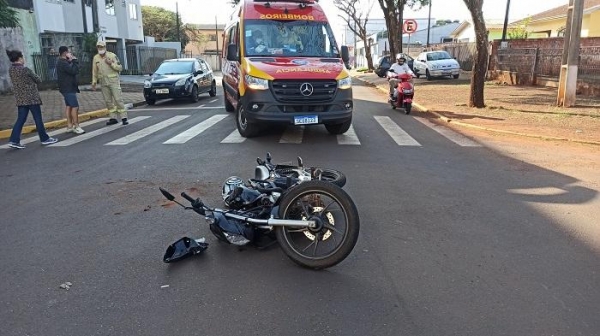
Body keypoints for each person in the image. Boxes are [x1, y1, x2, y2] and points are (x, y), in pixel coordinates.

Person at [5, 49, 58, 149]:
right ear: (20, 58)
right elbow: (38, 79)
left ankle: (14, 140)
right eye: (23, 57)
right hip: (32, 98)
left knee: (20, 119)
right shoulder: (25, 70)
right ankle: (44, 139)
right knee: (38, 118)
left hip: (21, 99)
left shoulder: (11, 70)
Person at [91, 40, 128, 125]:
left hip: (113, 81)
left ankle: (124, 117)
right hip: (103, 82)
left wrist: (111, 64)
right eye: (99, 47)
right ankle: (113, 118)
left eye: (102, 47)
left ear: (105, 47)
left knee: (118, 99)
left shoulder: (112, 56)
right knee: (108, 101)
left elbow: (120, 68)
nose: (100, 49)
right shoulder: (96, 58)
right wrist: (94, 82)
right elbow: (94, 71)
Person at [56, 45, 85, 134]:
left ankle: (69, 125)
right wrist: (74, 60)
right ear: (65, 53)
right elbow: (74, 71)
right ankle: (76, 126)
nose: (70, 53)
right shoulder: (63, 63)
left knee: (69, 106)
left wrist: (70, 61)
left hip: (66, 87)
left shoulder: (62, 62)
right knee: (75, 107)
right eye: (68, 52)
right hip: (68, 88)